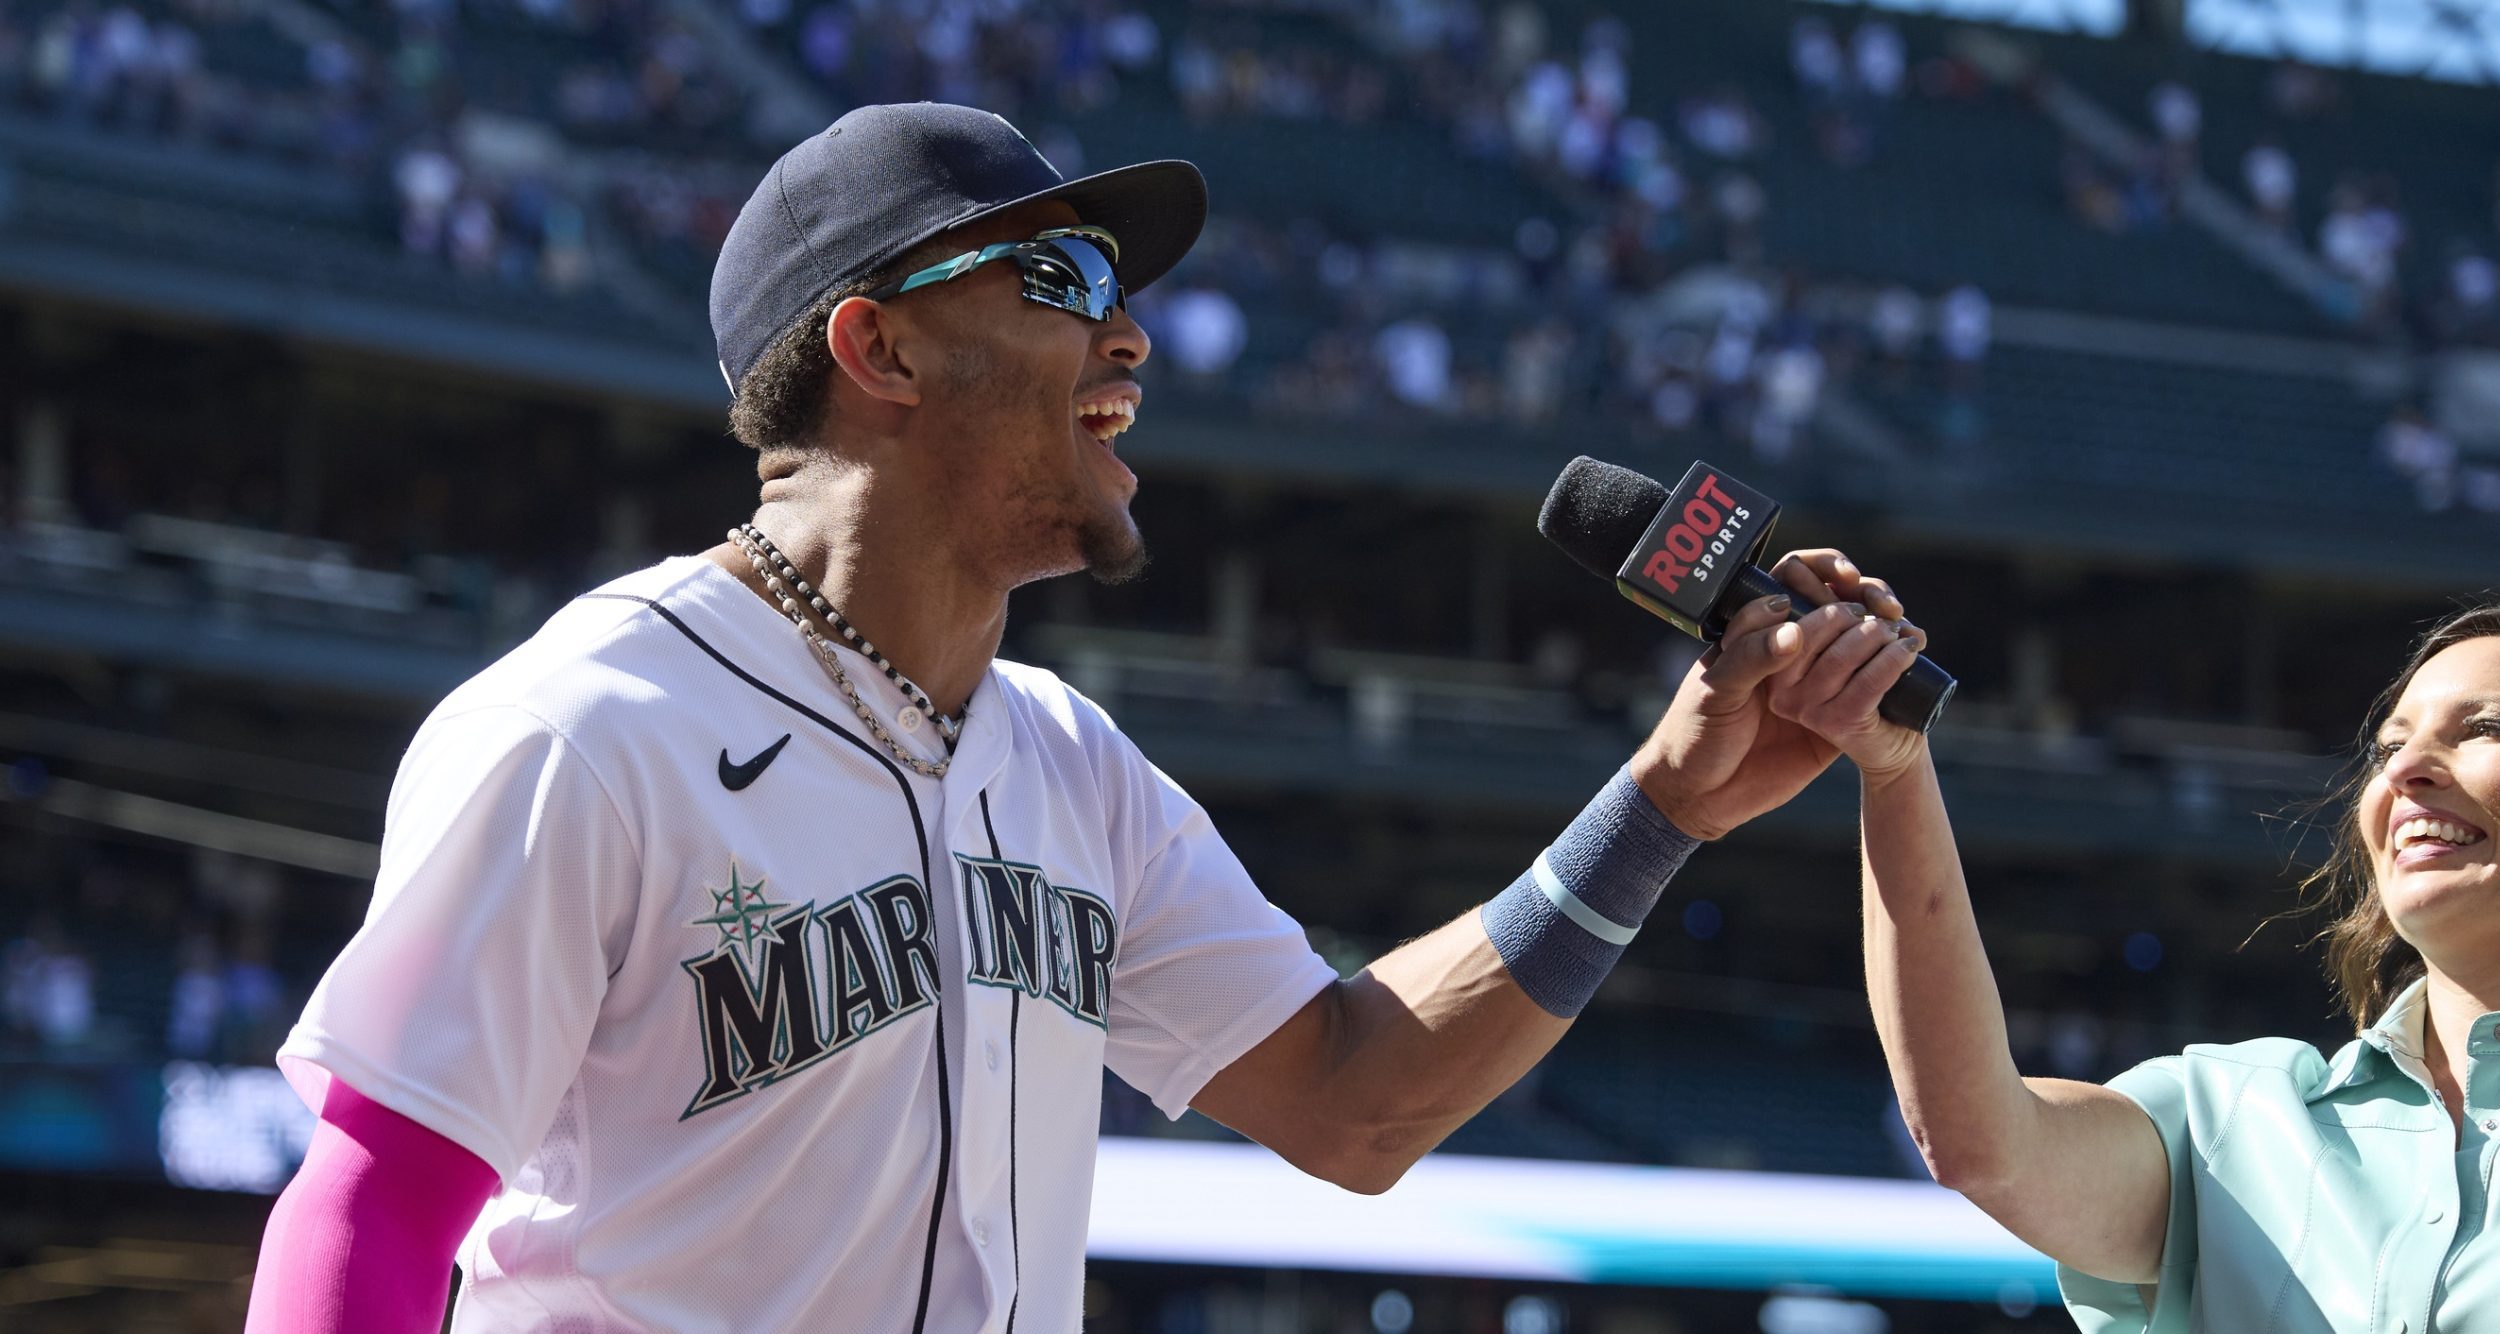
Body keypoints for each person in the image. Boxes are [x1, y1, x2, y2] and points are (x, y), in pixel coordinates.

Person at [244, 102, 1916, 1331]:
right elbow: (375, 1204)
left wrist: (1667, 801)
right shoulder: (587, 727)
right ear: (878, 346)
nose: (1128, 332)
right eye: (1060, 275)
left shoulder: (1069, 761)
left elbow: (1356, 1102)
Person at [1780, 596, 2500, 1331]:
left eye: (2484, 729)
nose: (2407, 767)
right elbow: (1981, 1142)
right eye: (2386, 748)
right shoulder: (2232, 1120)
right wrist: (1895, 763)